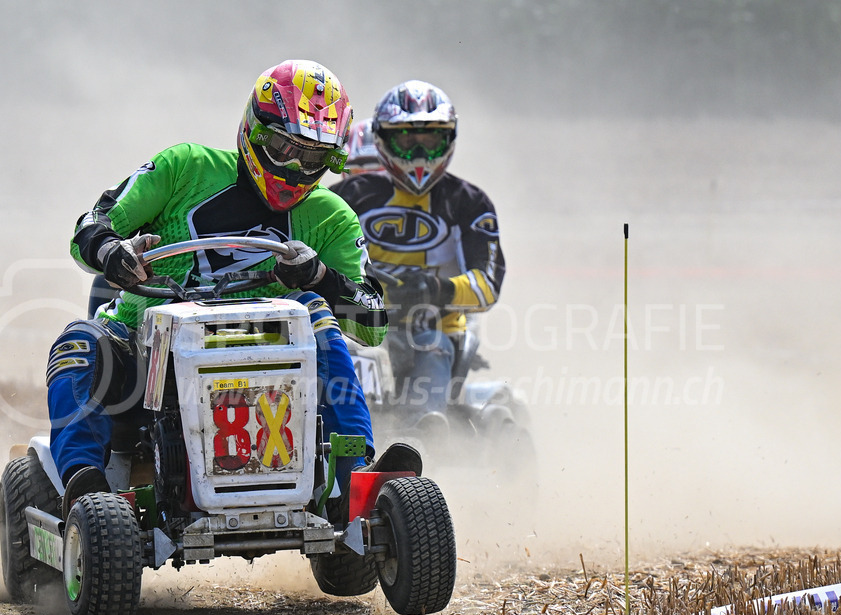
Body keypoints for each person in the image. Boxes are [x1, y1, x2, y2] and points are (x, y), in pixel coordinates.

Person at [47, 60, 414, 513]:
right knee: (77, 342)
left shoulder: (331, 217)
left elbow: (373, 323)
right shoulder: (184, 168)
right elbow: (92, 224)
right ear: (256, 132)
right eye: (285, 148)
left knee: (318, 317)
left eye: (314, 158)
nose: (297, 168)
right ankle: (85, 492)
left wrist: (321, 278)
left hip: (272, 362)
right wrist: (112, 254)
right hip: (146, 356)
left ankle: (353, 484)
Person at [330, 80, 505, 435]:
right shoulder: (348, 195)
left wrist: (435, 290)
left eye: (431, 141)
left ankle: (422, 436)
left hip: (435, 330)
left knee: (431, 346)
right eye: (407, 142)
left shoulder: (470, 203)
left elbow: (488, 285)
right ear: (382, 139)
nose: (420, 155)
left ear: (449, 139)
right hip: (356, 326)